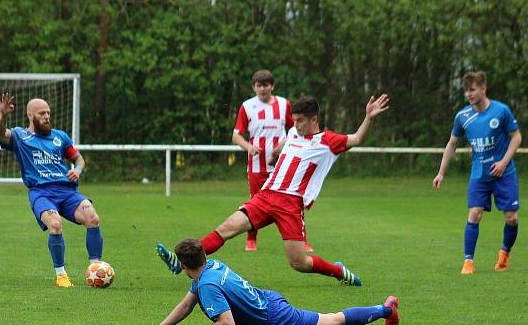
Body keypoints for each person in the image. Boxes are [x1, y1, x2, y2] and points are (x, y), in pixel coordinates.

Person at [157, 93, 390, 286]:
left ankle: (338, 271)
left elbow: (357, 138)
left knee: (298, 263)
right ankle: (181, 262)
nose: (294, 125)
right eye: (294, 120)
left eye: (299, 120)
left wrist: (369, 117)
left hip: (290, 204)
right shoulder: (292, 133)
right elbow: (283, 148)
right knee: (226, 228)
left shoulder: (328, 141)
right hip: (266, 196)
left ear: (313, 119)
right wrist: (274, 154)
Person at [138, 238, 399, 325]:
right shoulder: (211, 266)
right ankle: (384, 310)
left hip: (275, 317)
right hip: (269, 300)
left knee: (333, 321)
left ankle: (385, 310)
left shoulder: (207, 285)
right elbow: (186, 305)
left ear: (184, 266)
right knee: (331, 319)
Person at [0, 92, 104, 288]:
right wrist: (2, 116)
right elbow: (1, 135)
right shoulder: (21, 136)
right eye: (42, 113)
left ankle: (95, 269)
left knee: (92, 217)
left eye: (48, 113)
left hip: (67, 192)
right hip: (41, 193)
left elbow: (78, 159)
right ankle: (61, 275)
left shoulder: (59, 137)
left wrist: (77, 171)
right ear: (31, 115)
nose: (47, 117)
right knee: (55, 224)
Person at [433, 71, 522, 275]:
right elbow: (452, 143)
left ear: (483, 89)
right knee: (474, 213)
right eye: (466, 91)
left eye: (473, 89)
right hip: (479, 175)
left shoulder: (501, 111)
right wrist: (441, 173)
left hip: (504, 173)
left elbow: (516, 137)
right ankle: (468, 262)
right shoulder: (463, 116)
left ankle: (504, 254)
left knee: (511, 218)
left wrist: (503, 162)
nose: (469, 94)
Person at [233, 70, 312, 252]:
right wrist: (249, 147)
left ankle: (303, 240)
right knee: (255, 201)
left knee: (293, 199)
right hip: (256, 165)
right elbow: (236, 136)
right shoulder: (247, 106)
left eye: (266, 85)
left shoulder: (284, 104)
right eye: (259, 85)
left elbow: (296, 130)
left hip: (283, 164)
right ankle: (251, 239)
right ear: (254, 87)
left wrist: (281, 148)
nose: (262, 89)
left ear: (272, 86)